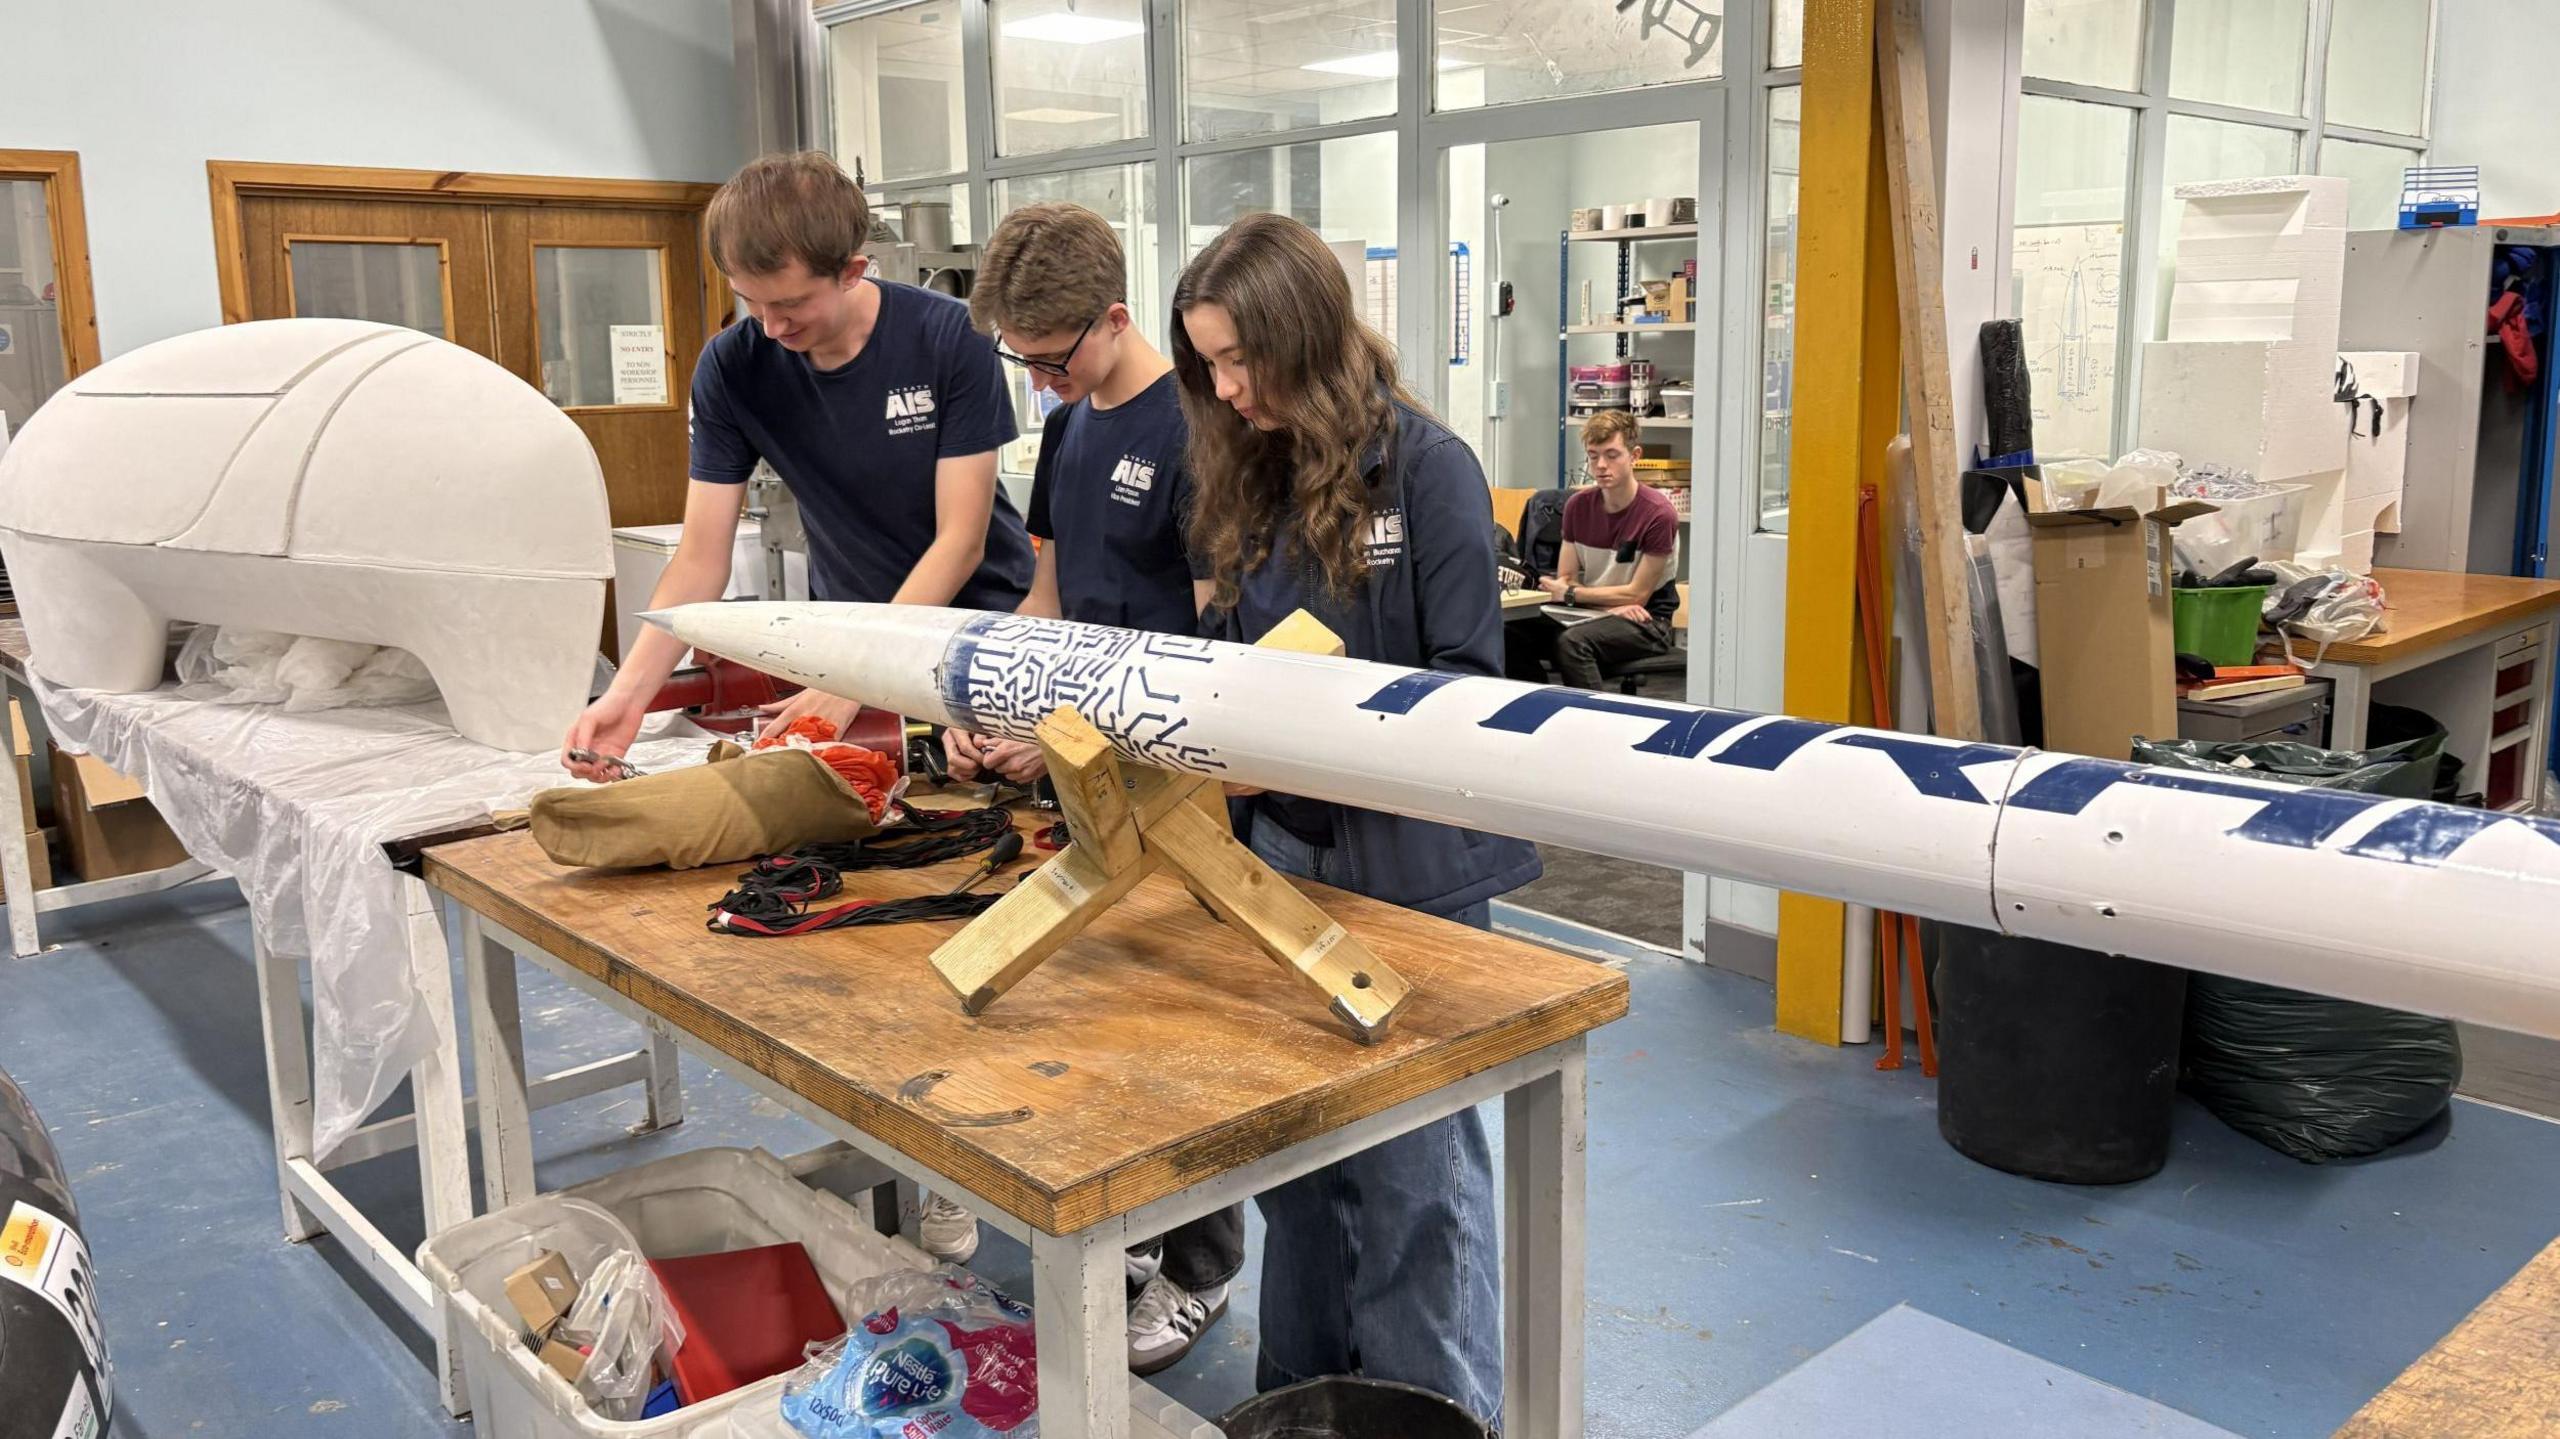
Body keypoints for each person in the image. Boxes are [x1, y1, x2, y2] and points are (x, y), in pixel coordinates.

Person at [1170, 211, 1537, 1423]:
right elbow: (1224, 662)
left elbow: (1470, 689)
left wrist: (1328, 717)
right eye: (1207, 367)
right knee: (1300, 1171)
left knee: (1413, 1176)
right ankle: (1303, 1402)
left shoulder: (1428, 471)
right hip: (1282, 859)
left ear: (1305, 337)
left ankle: (1428, 1410)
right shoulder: (1248, 474)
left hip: (1407, 873)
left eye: (1240, 362)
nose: (1225, 391)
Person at [932, 200, 1240, 1379]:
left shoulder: (1197, 432)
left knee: (1183, 1029)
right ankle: (1140, 1229)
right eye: (1024, 362)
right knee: (1104, 1016)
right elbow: (1049, 598)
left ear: (1116, 317)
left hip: (1178, 788)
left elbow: (1220, 653)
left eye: (1053, 359)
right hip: (1080, 771)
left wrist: (1089, 733)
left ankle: (1203, 1264)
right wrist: (996, 699)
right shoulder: (1065, 435)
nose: (1042, 381)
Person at [562, 150, 1033, 778]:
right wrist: (628, 697)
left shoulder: (948, 338)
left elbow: (961, 541)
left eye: (788, 303)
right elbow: (701, 558)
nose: (770, 325)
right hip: (849, 639)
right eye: (749, 302)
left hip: (980, 636)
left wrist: (857, 676)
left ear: (851, 271)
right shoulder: (732, 367)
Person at [1505, 408, 1681, 689]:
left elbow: (1637, 595)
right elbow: (1566, 580)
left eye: (1612, 455)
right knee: (1509, 630)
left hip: (1648, 621)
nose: (1600, 465)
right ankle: (1536, 706)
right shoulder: (1577, 506)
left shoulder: (1658, 514)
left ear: (1635, 456)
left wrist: (1575, 595)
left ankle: (1593, 723)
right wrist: (1605, 606)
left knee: (1573, 643)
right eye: (1593, 455)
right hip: (1597, 611)